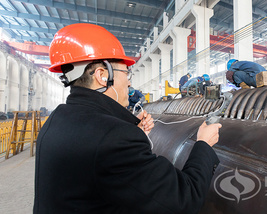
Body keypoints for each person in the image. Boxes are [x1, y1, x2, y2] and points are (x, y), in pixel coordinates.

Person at [34, 23, 222, 214]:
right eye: (126, 72)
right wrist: (203, 145)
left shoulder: (57, 119)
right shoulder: (115, 138)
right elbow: (183, 199)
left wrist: (132, 130)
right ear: (102, 75)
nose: (129, 81)